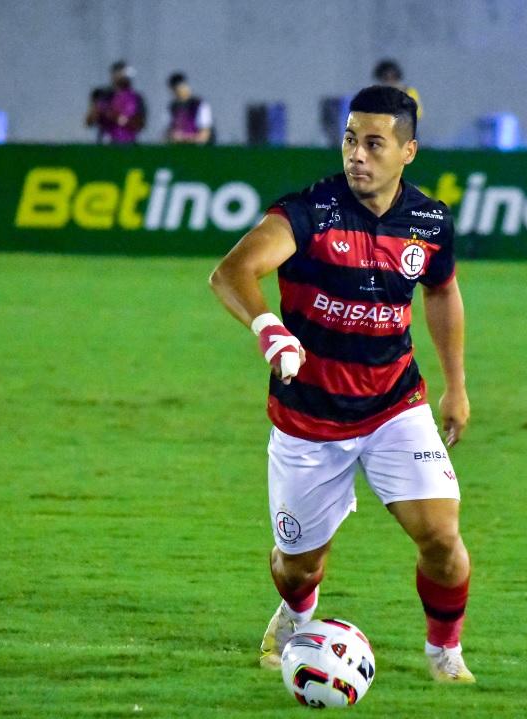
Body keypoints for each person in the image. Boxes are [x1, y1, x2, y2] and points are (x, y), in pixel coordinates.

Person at [209, 85, 474, 683]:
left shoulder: (429, 221)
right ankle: (296, 611)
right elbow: (231, 272)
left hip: (393, 406)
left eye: (374, 143)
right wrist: (269, 328)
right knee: (300, 566)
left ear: (408, 150)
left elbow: (441, 289)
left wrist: (455, 386)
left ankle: (444, 653)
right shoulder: (309, 212)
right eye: (351, 139)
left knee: (441, 537)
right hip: (309, 417)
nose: (358, 154)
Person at [85, 60, 147, 144]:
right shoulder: (103, 95)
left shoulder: (136, 98)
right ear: (113, 75)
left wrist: (117, 118)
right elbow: (89, 122)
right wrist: (96, 109)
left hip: (128, 144)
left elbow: (140, 125)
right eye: (121, 73)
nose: (125, 77)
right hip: (105, 144)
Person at [166, 72, 214, 144]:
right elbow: (168, 133)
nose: (177, 93)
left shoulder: (200, 105)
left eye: (178, 89)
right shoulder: (173, 107)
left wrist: (183, 138)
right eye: (174, 91)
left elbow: (204, 137)